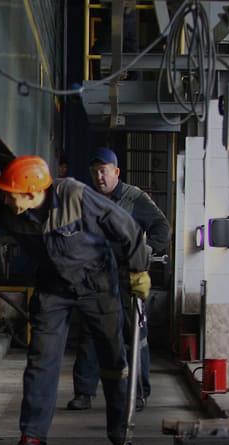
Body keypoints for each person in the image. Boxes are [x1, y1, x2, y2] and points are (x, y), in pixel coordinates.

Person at [0, 155, 151, 445]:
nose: (4, 198)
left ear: (31, 192)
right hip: (53, 288)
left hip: (97, 285)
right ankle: (33, 436)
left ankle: (120, 433)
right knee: (41, 360)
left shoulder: (74, 196)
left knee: (113, 360)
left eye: (10, 193)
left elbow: (126, 227)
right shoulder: (9, 214)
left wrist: (138, 271)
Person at [67, 148, 169, 412]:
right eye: (94, 172)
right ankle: (84, 392)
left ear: (116, 172)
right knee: (90, 334)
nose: (99, 177)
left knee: (135, 336)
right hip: (95, 279)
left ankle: (139, 393)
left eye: (103, 171)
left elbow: (162, 228)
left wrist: (144, 252)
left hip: (127, 279)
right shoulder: (87, 199)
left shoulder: (134, 198)